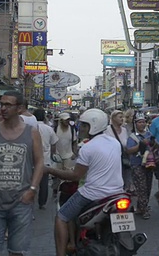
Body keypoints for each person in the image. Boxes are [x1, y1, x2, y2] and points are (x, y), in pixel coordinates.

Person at [0, 91, 45, 255]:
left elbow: (40, 162)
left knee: (18, 251)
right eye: (1, 104)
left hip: (21, 201)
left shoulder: (32, 132)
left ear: (19, 108)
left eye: (8, 105)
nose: (2, 108)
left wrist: (32, 189)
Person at [45, 108, 124, 256]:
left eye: (83, 125)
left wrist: (50, 170)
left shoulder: (87, 148)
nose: (80, 128)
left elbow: (75, 176)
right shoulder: (114, 143)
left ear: (91, 127)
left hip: (92, 194)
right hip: (117, 193)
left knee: (61, 216)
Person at [126, 112, 154, 219]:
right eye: (140, 122)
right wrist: (140, 145)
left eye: (143, 122)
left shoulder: (149, 134)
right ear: (135, 124)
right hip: (137, 164)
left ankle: (140, 206)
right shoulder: (132, 137)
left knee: (148, 186)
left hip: (149, 164)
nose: (142, 124)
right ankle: (144, 209)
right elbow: (129, 150)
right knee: (141, 187)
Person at [33, 109, 59, 210]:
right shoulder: (48, 129)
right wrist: (53, 154)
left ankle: (29, 203)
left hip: (32, 159)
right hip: (45, 159)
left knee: (31, 182)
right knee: (44, 183)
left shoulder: (30, 128)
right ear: (44, 117)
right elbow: (54, 143)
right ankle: (42, 203)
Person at [106, 110, 131, 191]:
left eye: (122, 117)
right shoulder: (107, 130)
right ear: (113, 118)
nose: (122, 119)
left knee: (124, 179)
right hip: (111, 160)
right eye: (120, 117)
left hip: (123, 159)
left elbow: (126, 143)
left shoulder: (124, 130)